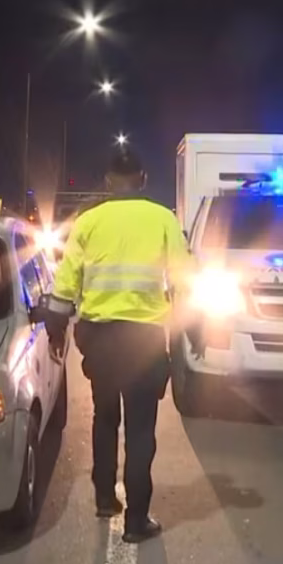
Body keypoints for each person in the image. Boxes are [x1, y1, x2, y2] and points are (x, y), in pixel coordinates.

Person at [40, 150, 197, 543]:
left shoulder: (88, 221)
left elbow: (66, 282)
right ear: (142, 179)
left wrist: (56, 329)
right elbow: (185, 280)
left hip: (100, 338)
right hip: (143, 339)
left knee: (105, 417)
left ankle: (104, 498)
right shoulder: (162, 219)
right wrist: (193, 330)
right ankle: (136, 521)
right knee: (141, 429)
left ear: (108, 181)